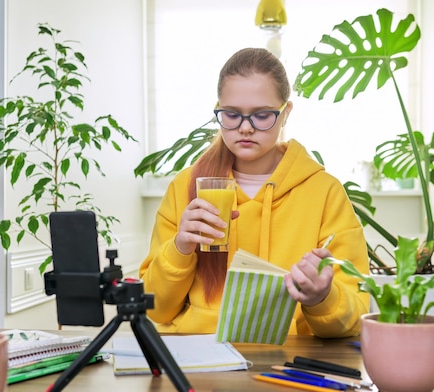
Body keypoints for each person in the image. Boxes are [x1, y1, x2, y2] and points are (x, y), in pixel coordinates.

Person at [139, 47, 369, 338]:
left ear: (285, 113)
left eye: (261, 116)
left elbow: (355, 314)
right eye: (232, 115)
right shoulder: (187, 187)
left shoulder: (324, 192)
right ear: (218, 110)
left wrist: (322, 297)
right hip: (200, 355)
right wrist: (180, 248)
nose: (245, 128)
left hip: (290, 360)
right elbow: (154, 309)